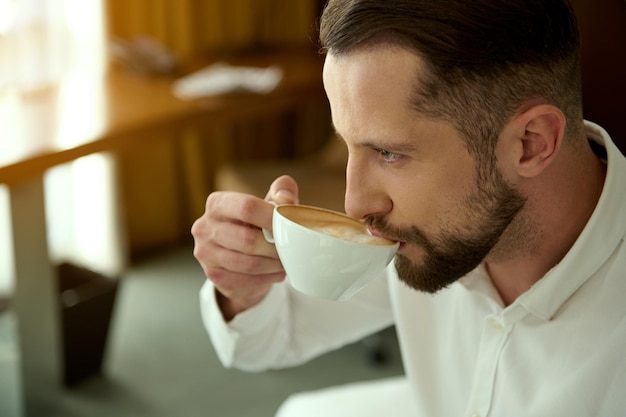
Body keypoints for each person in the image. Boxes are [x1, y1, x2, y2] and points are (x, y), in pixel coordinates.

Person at [191, 0, 626, 415]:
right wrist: (242, 286)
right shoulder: (432, 233)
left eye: (389, 153)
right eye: (348, 145)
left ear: (531, 143)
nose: (355, 205)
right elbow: (261, 341)